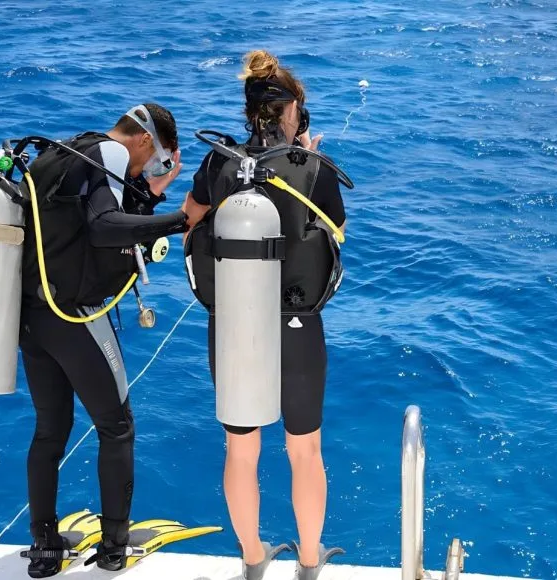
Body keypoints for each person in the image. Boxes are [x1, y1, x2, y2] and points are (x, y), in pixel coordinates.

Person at [181, 51, 348, 580]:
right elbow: (334, 236)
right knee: (305, 449)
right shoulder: (312, 169)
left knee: (241, 448)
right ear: (293, 109)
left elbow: (190, 224)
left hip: (233, 323)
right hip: (297, 323)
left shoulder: (217, 163)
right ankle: (307, 561)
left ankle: (254, 559)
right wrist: (305, 161)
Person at [18, 103, 188, 577]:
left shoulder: (70, 149)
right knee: (117, 427)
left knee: (50, 430)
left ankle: (44, 546)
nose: (144, 170)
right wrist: (180, 218)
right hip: (74, 317)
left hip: (33, 316)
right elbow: (103, 227)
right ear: (143, 141)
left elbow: (83, 220)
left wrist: (151, 193)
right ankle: (114, 548)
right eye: (153, 161)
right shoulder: (112, 155)